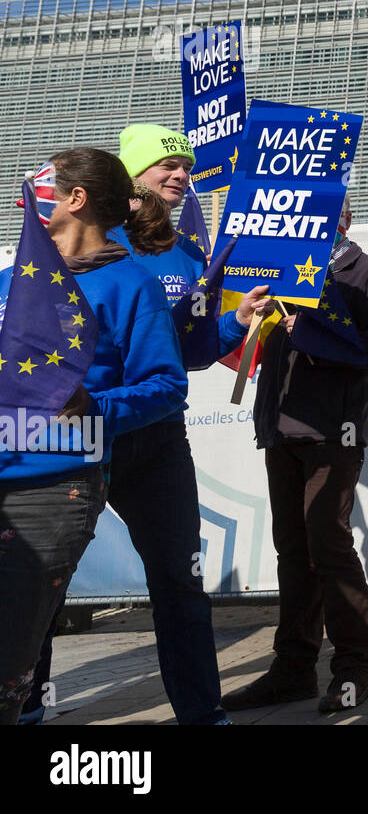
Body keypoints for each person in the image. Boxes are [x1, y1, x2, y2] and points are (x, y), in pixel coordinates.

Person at [0, 150, 189, 724]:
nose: (27, 187)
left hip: (52, 488)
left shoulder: (131, 283)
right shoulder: (11, 278)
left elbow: (167, 386)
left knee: (10, 653)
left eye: (44, 181)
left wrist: (93, 404)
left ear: (75, 199)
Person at [221, 195, 368, 715]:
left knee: (328, 545)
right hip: (280, 429)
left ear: (342, 218)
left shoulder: (367, 273)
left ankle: (353, 669)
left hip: (333, 432)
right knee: (293, 551)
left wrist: (313, 333)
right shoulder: (277, 274)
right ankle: (293, 670)